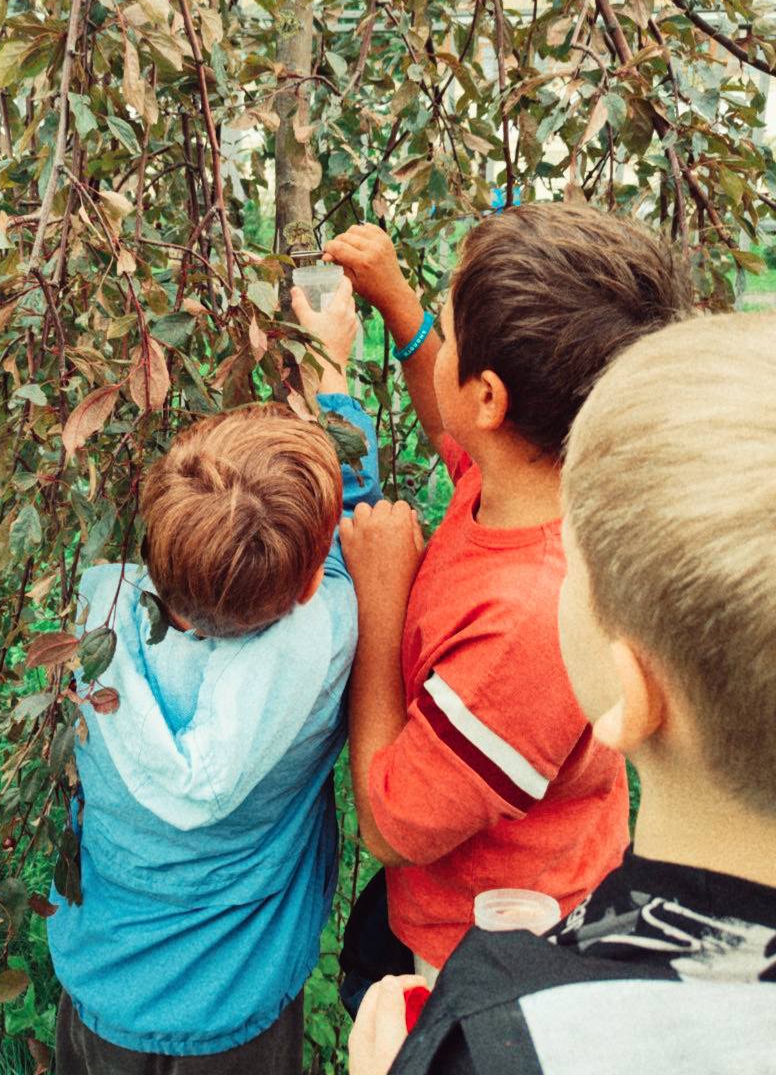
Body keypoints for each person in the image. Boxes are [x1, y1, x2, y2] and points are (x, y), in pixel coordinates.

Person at [346, 310, 776, 1075]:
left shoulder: (494, 1037)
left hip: (472, 934)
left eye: (577, 563)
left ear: (630, 690)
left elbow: (393, 821)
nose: (553, 552)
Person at [327, 207, 692, 986]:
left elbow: (392, 825)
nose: (439, 343)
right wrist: (401, 309)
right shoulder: (545, 483)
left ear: (491, 397)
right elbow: (460, 440)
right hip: (512, 870)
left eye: (449, 334)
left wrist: (380, 602)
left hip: (482, 948)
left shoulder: (526, 625)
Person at [48, 278, 382, 1073]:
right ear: (303, 585)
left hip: (105, 993)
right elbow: (354, 511)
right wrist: (331, 369)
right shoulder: (327, 636)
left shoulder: (91, 617)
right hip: (241, 1011)